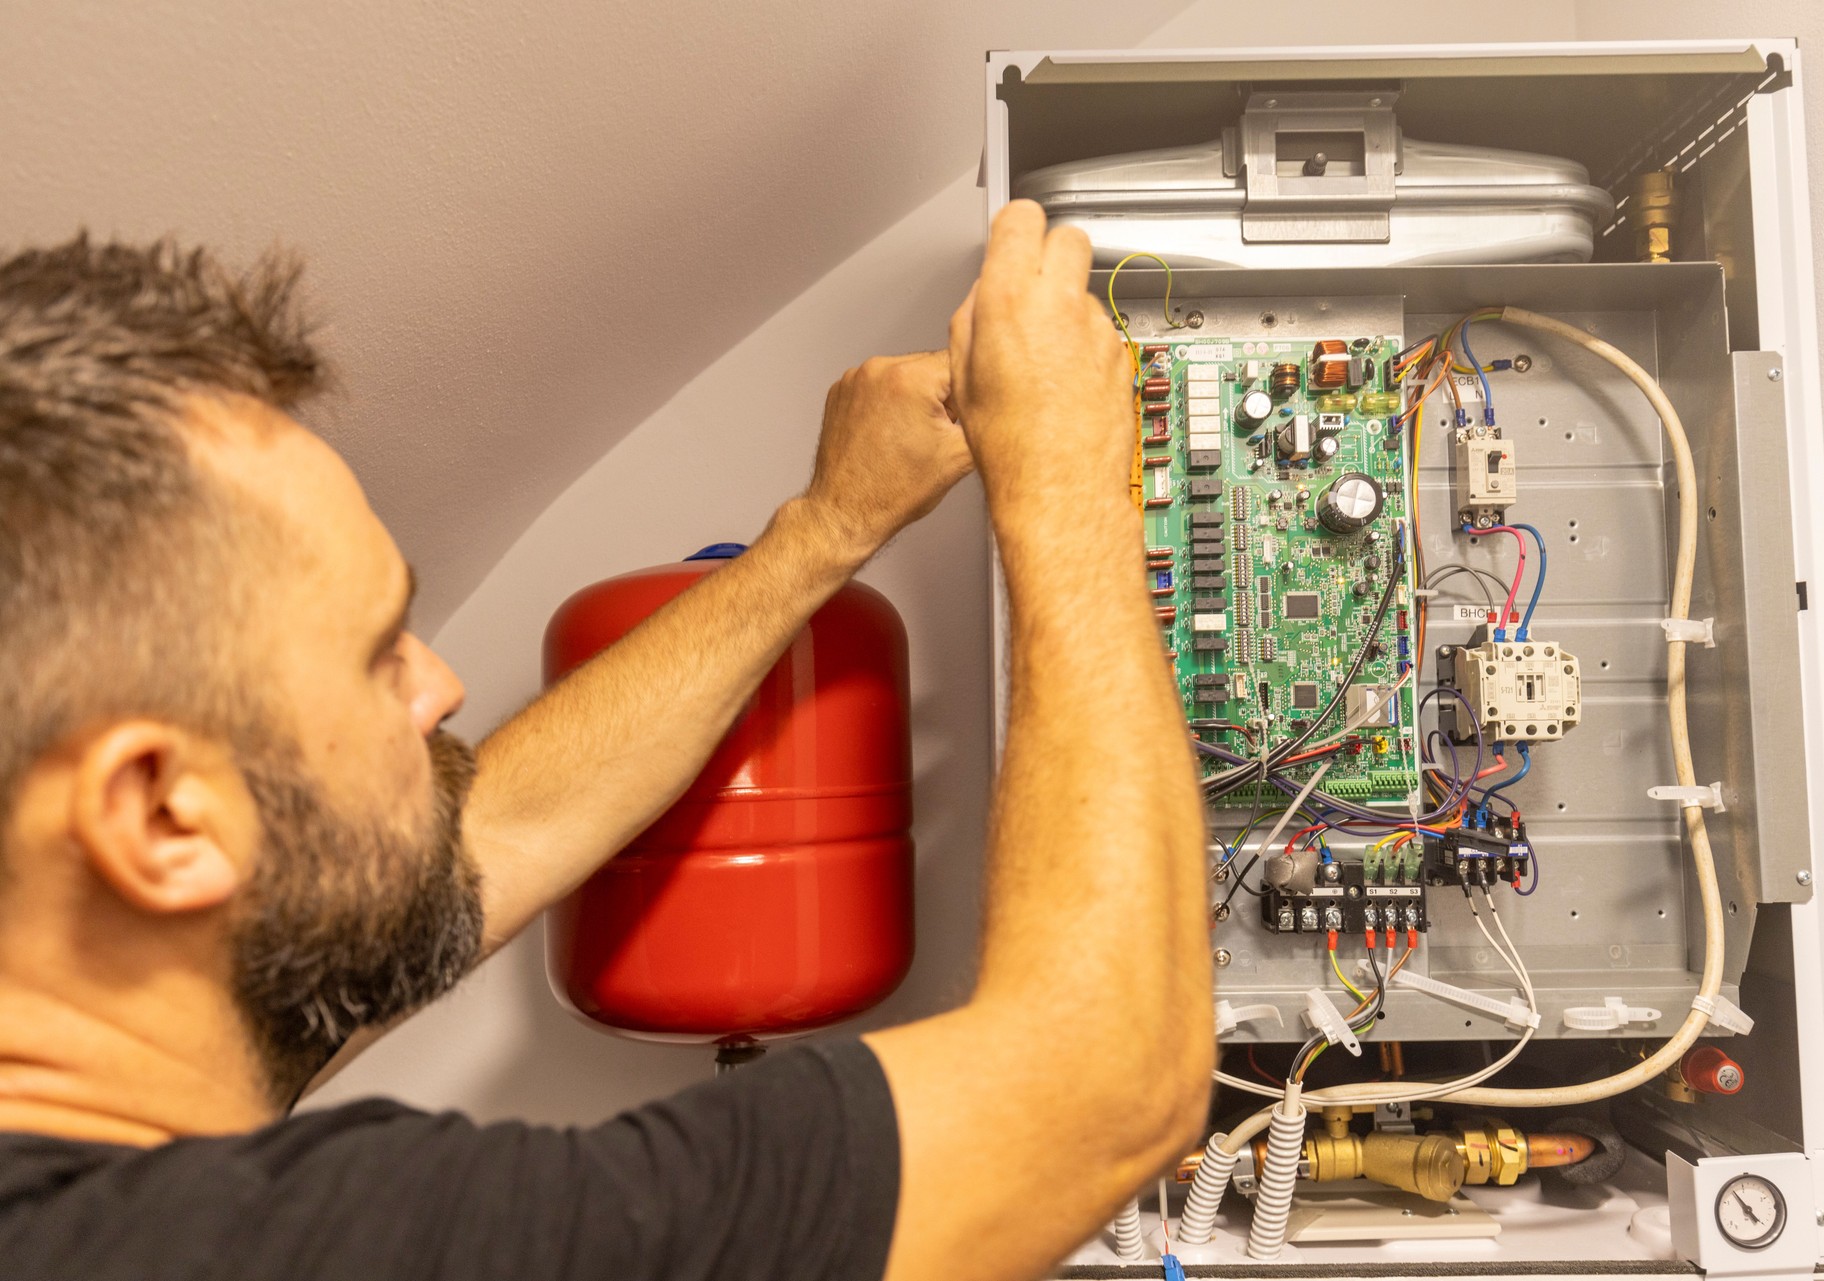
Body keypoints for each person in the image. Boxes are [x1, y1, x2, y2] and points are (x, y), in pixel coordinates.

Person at [0, 200, 1213, 1280]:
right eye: (377, 655)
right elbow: (1102, 1084)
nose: (439, 685)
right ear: (160, 815)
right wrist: (1064, 483)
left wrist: (827, 527)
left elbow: (499, 828)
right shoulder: (327, 1245)